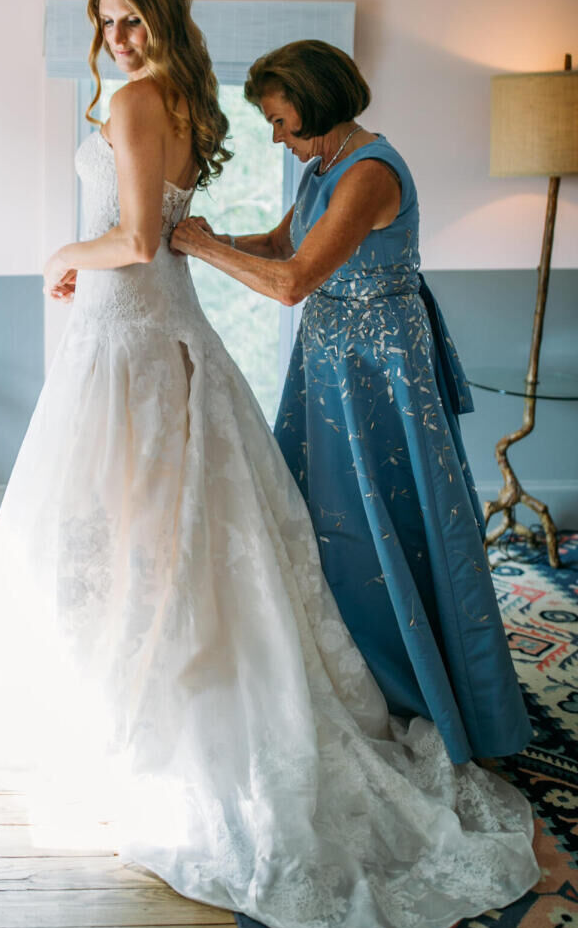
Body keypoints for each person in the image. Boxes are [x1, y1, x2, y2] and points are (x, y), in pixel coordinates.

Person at [0, 0, 537, 928]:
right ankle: (150, 673)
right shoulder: (189, 105)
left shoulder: (153, 106)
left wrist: (62, 256)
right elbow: (239, 233)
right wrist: (199, 240)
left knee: (166, 526)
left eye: (132, 19)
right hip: (181, 333)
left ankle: (161, 698)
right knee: (176, 526)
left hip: (211, 339)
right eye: (106, 22)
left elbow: (148, 240)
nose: (118, 37)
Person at [170, 38, 531, 767]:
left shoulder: (367, 171)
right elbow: (278, 244)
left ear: (316, 98)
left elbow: (292, 280)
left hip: (380, 372)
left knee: (391, 519)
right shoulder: (324, 164)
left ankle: (421, 684)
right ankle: (345, 667)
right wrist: (193, 244)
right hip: (330, 367)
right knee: (322, 516)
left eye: (279, 120)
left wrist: (202, 249)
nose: (276, 136)